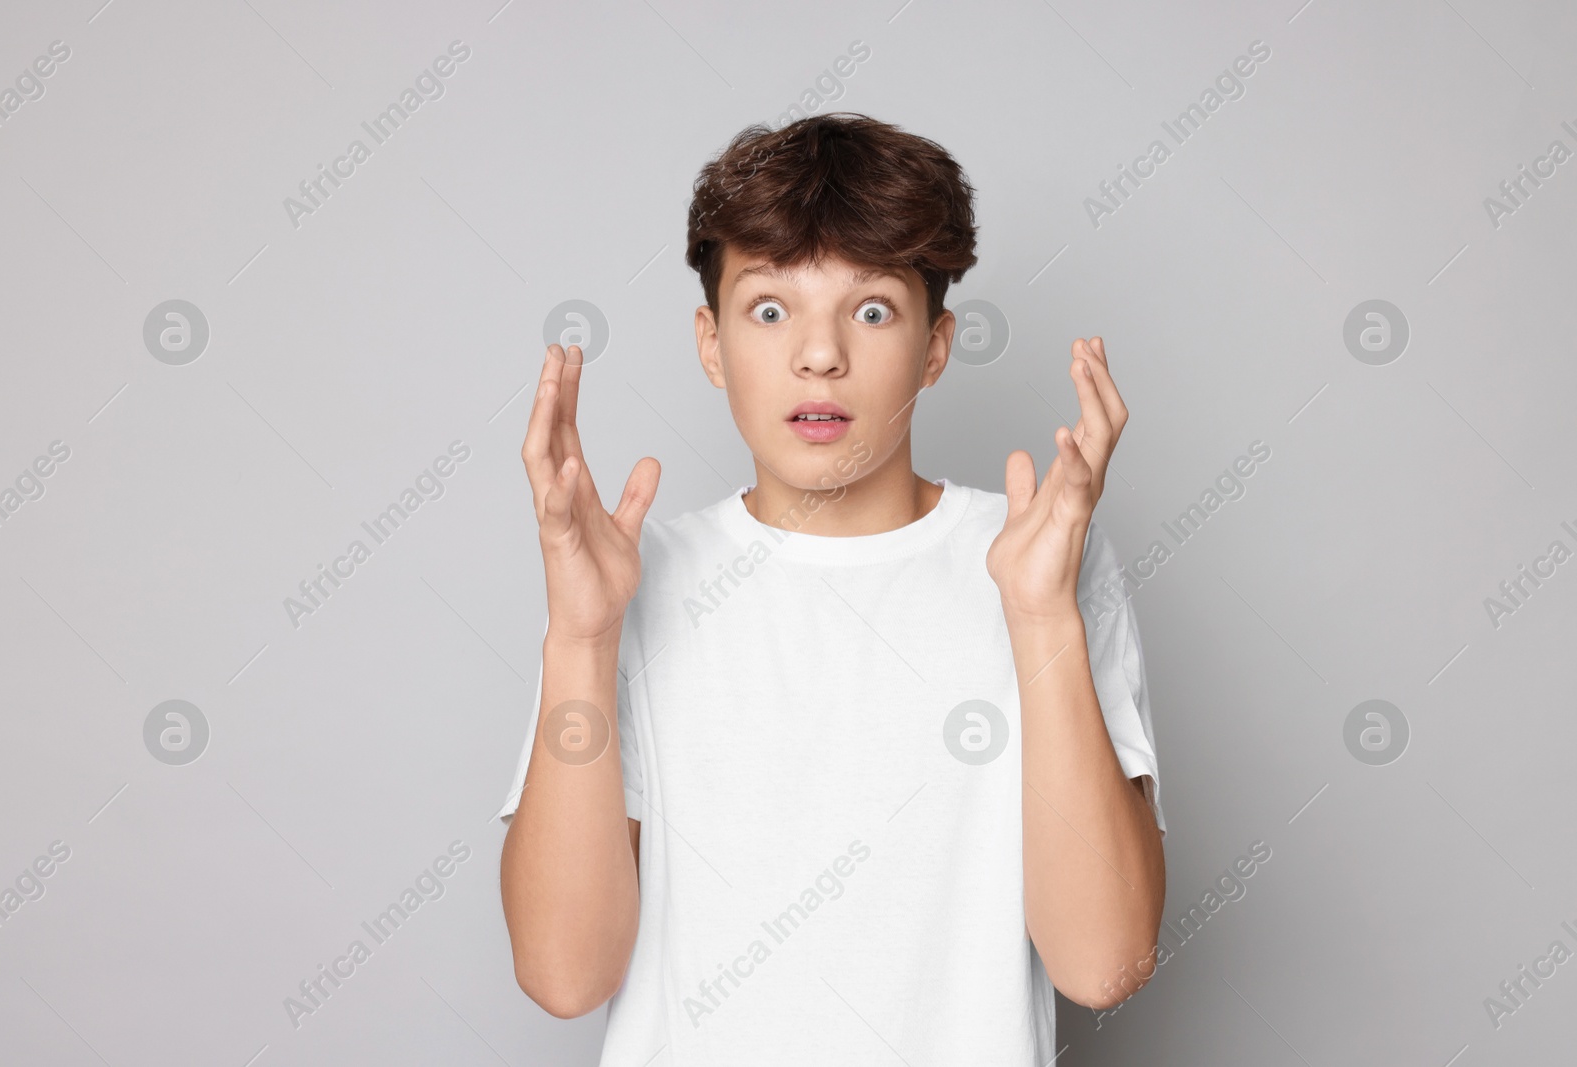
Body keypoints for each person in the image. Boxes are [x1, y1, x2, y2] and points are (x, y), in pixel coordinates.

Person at [498, 111, 1166, 1064]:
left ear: (936, 347)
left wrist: (1041, 617)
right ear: (712, 342)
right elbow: (565, 974)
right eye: (770, 309)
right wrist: (580, 638)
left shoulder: (1039, 558)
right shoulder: (629, 582)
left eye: (873, 309)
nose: (820, 354)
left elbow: (1103, 963)